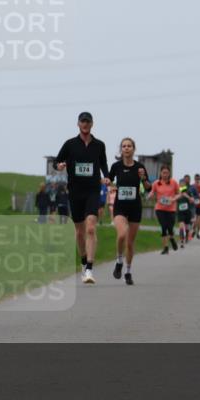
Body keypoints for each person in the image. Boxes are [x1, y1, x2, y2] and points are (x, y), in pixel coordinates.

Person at [55, 111, 109, 284]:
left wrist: (107, 176)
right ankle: (84, 260)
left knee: (91, 228)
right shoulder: (70, 144)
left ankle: (89, 269)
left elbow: (103, 163)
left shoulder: (99, 145)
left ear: (92, 124)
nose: (85, 124)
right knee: (79, 231)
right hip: (75, 191)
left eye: (88, 122)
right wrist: (60, 165)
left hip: (93, 190)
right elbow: (57, 161)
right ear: (78, 124)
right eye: (82, 122)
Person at [107, 138, 148, 285]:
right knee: (122, 234)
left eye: (129, 146)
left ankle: (128, 272)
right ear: (121, 149)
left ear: (134, 149)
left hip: (135, 207)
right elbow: (109, 180)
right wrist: (110, 185)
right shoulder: (116, 166)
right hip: (120, 206)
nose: (126, 148)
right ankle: (119, 261)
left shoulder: (140, 167)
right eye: (124, 146)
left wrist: (143, 178)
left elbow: (148, 187)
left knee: (130, 243)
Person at [147, 165, 181, 254]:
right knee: (163, 226)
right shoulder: (156, 183)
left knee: (170, 227)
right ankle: (165, 247)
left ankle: (172, 239)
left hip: (171, 209)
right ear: (160, 173)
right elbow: (152, 192)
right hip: (160, 208)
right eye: (163, 173)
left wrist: (173, 199)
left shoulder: (174, 183)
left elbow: (179, 194)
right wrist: (150, 195)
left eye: (166, 173)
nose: (165, 175)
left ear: (169, 173)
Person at [176, 175, 197, 247]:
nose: (181, 184)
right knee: (181, 226)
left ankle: (187, 235)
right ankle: (182, 241)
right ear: (179, 184)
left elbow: (192, 200)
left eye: (183, 183)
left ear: (185, 185)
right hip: (180, 212)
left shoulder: (188, 191)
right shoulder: (177, 192)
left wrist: (190, 199)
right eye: (180, 183)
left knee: (187, 226)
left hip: (187, 211)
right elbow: (174, 199)